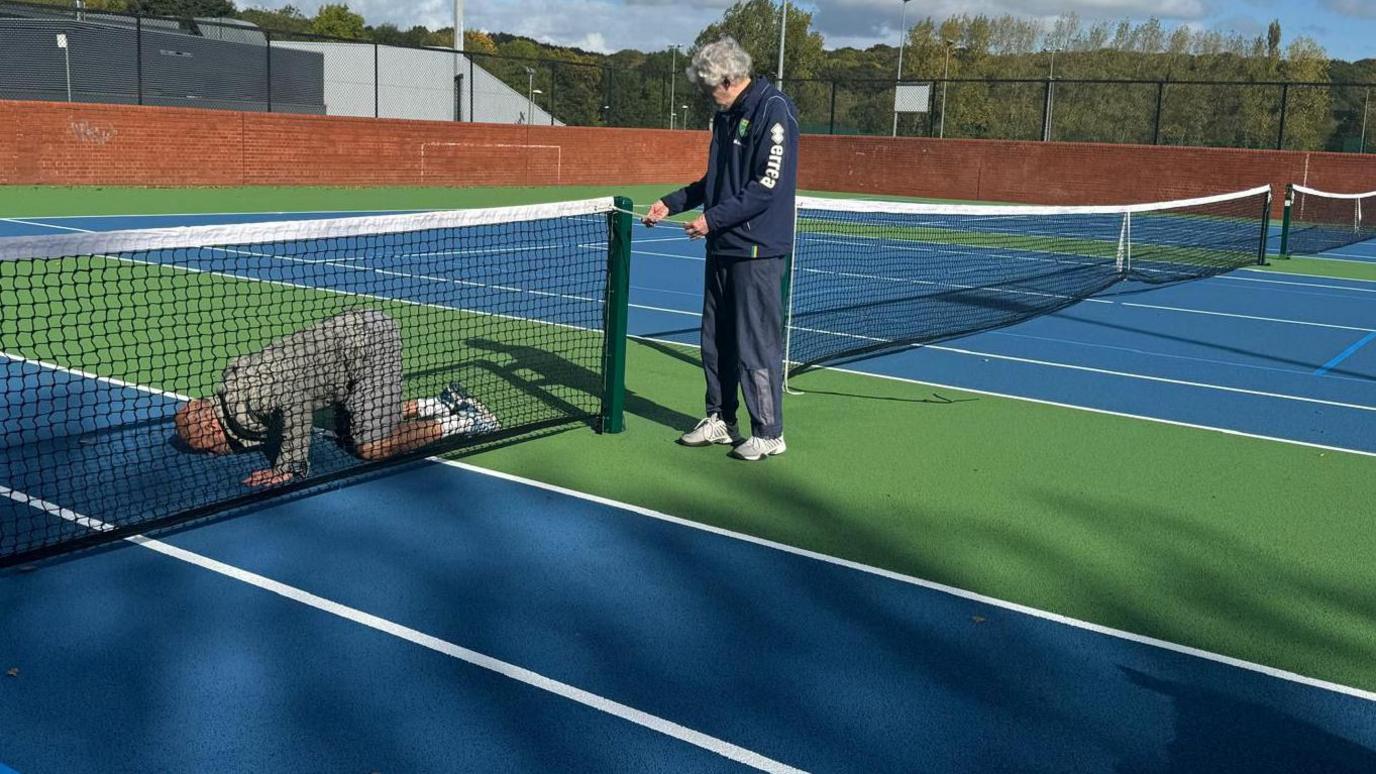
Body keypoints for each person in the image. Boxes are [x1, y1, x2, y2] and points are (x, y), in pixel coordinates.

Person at [642, 36, 800, 461]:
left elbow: (766, 186)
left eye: (709, 87)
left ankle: (769, 432)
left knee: (756, 344)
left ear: (729, 79)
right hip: (722, 247)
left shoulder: (774, 111)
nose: (706, 95)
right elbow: (714, 182)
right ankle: (721, 419)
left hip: (756, 251)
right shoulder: (725, 117)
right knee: (715, 341)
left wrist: (711, 220)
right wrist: (672, 203)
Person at [173, 309, 498, 488]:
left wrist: (289, 467)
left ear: (213, 431)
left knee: (371, 446)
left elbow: (295, 402)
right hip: (352, 335)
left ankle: (465, 420)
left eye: (208, 449)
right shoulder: (233, 387)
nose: (214, 454)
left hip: (368, 349)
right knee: (343, 425)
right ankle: (439, 403)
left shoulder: (253, 403)